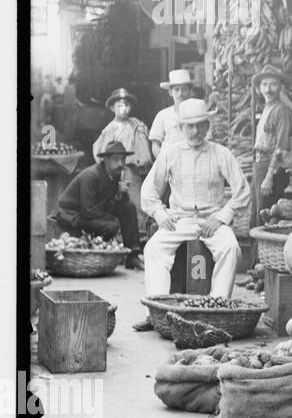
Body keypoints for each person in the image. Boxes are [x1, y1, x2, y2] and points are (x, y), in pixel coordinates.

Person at [136, 98, 250, 328]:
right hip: (180, 220)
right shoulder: (170, 153)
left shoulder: (221, 153)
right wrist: (161, 215)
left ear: (208, 126)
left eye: (200, 125)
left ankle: (216, 308)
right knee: (154, 248)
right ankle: (157, 311)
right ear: (181, 128)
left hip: (212, 219)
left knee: (230, 248)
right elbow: (148, 191)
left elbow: (243, 192)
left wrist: (220, 218)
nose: (195, 131)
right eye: (190, 126)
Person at [54, 141, 144, 270]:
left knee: (129, 207)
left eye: (123, 159)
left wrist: (121, 194)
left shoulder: (115, 173)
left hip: (93, 211)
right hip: (71, 215)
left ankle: (132, 256)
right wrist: (112, 218)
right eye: (116, 159)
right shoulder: (91, 176)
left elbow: (118, 204)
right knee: (111, 226)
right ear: (105, 160)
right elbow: (88, 210)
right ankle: (94, 250)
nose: (121, 164)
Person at [93, 88, 153, 222]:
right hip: (115, 173)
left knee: (136, 202)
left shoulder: (136, 125)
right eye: (119, 105)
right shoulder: (109, 129)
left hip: (132, 171)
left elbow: (144, 151)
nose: (124, 109)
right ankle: (117, 236)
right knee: (115, 203)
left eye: (126, 105)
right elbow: (99, 151)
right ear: (112, 108)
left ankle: (139, 234)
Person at [251, 67, 292, 220]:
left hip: (272, 168)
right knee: (256, 211)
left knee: (266, 215)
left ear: (281, 87)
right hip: (260, 163)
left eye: (273, 84)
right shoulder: (267, 108)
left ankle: (264, 245)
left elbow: (281, 148)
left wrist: (269, 176)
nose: (268, 89)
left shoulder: (281, 110)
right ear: (259, 88)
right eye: (264, 84)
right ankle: (256, 244)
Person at [150, 69, 199, 156]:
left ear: (190, 91)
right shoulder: (163, 115)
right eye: (177, 90)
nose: (180, 94)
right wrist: (163, 163)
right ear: (170, 92)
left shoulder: (198, 114)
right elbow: (155, 145)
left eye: (184, 89)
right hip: (169, 162)